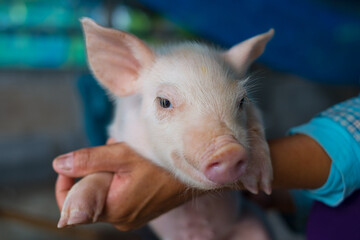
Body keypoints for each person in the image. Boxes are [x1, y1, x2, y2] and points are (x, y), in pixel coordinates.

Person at [53, 94, 360, 239]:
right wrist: (288, 197)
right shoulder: (131, 124)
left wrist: (178, 181)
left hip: (239, 225)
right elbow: (109, 171)